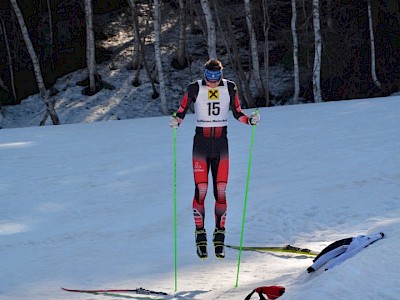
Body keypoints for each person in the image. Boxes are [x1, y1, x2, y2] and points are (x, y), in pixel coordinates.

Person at [170, 59, 260, 259]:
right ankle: (200, 233)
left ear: (221, 75)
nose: (212, 81)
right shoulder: (194, 87)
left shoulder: (229, 87)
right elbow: (182, 109)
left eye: (216, 77)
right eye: (209, 77)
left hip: (221, 144)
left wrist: (250, 121)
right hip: (201, 143)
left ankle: (220, 233)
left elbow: (237, 112)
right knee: (201, 190)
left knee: (220, 190)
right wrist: (176, 120)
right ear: (204, 74)